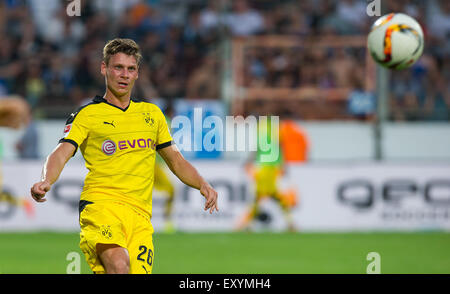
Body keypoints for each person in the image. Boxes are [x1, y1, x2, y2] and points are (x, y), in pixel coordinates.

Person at [30, 38, 218, 274]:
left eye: (130, 69)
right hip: (101, 206)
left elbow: (176, 160)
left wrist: (202, 184)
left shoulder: (152, 114)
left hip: (140, 216)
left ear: (137, 73)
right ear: (104, 69)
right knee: (119, 265)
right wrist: (47, 180)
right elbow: (61, 152)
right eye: (118, 67)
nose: (124, 75)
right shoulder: (87, 114)